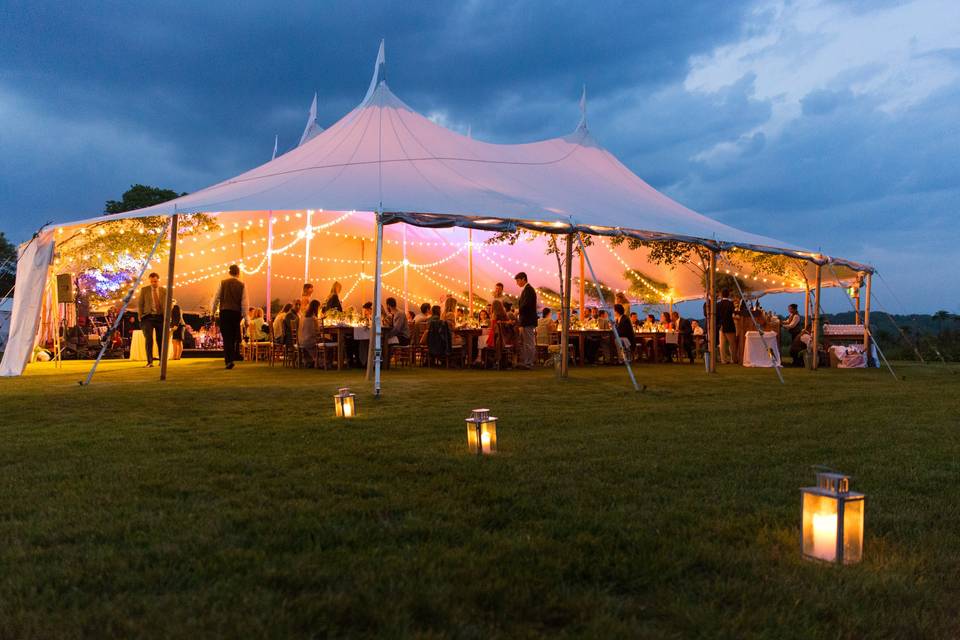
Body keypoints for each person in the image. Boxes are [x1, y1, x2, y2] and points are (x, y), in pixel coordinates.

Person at [211, 265, 249, 369]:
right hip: (236, 313)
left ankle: (228, 360)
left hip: (225, 312)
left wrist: (212, 312)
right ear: (238, 273)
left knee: (226, 337)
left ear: (229, 272)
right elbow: (244, 303)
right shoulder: (242, 285)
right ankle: (230, 359)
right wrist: (246, 318)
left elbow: (216, 299)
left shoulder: (222, 283)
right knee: (232, 337)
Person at [136, 272, 167, 367]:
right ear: (149, 281)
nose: (154, 283)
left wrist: (168, 317)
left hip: (160, 317)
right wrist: (140, 316)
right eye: (152, 282)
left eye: (155, 281)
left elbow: (167, 304)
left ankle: (162, 361)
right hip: (147, 317)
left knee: (160, 339)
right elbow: (140, 304)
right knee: (148, 339)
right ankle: (150, 362)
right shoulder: (144, 290)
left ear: (158, 280)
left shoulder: (164, 290)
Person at [514, 272, 537, 369]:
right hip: (526, 320)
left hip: (528, 320)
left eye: (518, 280)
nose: (517, 283)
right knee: (526, 342)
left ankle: (529, 362)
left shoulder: (529, 290)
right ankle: (527, 361)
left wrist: (518, 311)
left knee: (529, 342)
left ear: (523, 279)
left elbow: (526, 305)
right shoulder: (526, 290)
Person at [717, 288, 738, 364]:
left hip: (721, 326)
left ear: (722, 295)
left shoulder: (718, 304)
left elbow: (717, 316)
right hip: (729, 325)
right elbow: (733, 313)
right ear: (728, 294)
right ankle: (733, 359)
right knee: (732, 343)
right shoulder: (730, 303)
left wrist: (719, 324)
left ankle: (723, 360)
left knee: (722, 344)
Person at [298, 300, 322, 367]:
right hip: (310, 341)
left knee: (324, 341)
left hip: (301, 340)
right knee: (328, 342)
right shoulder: (313, 318)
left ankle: (311, 361)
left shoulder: (303, 316)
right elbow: (317, 331)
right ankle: (325, 363)